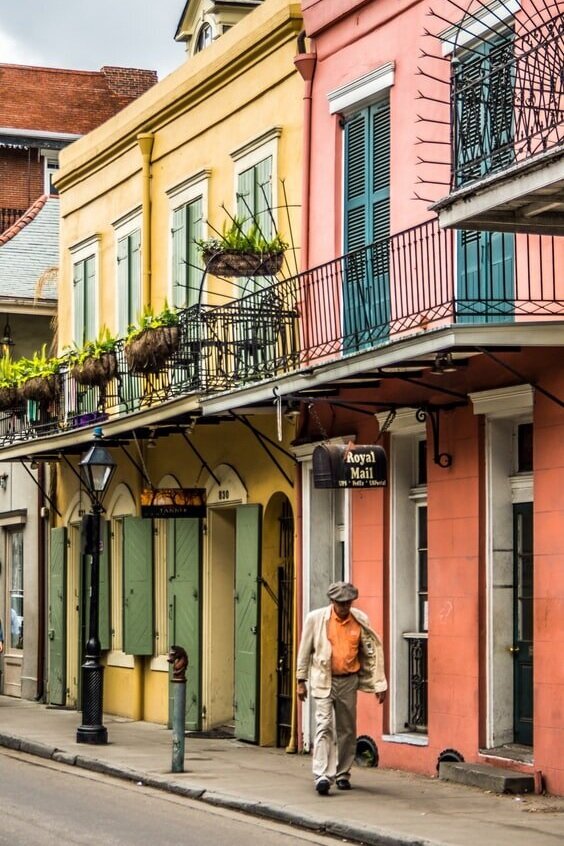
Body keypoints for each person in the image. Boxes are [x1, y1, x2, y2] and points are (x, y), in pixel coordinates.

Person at [296, 581, 387, 796]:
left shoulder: (360, 619)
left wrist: (379, 683)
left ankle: (343, 774)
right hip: (323, 679)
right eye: (340, 603)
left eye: (348, 603)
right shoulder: (316, 619)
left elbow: (372, 653)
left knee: (347, 729)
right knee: (324, 725)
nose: (344, 607)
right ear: (332, 601)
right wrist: (300, 680)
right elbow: (304, 650)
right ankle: (321, 775)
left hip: (349, 680)